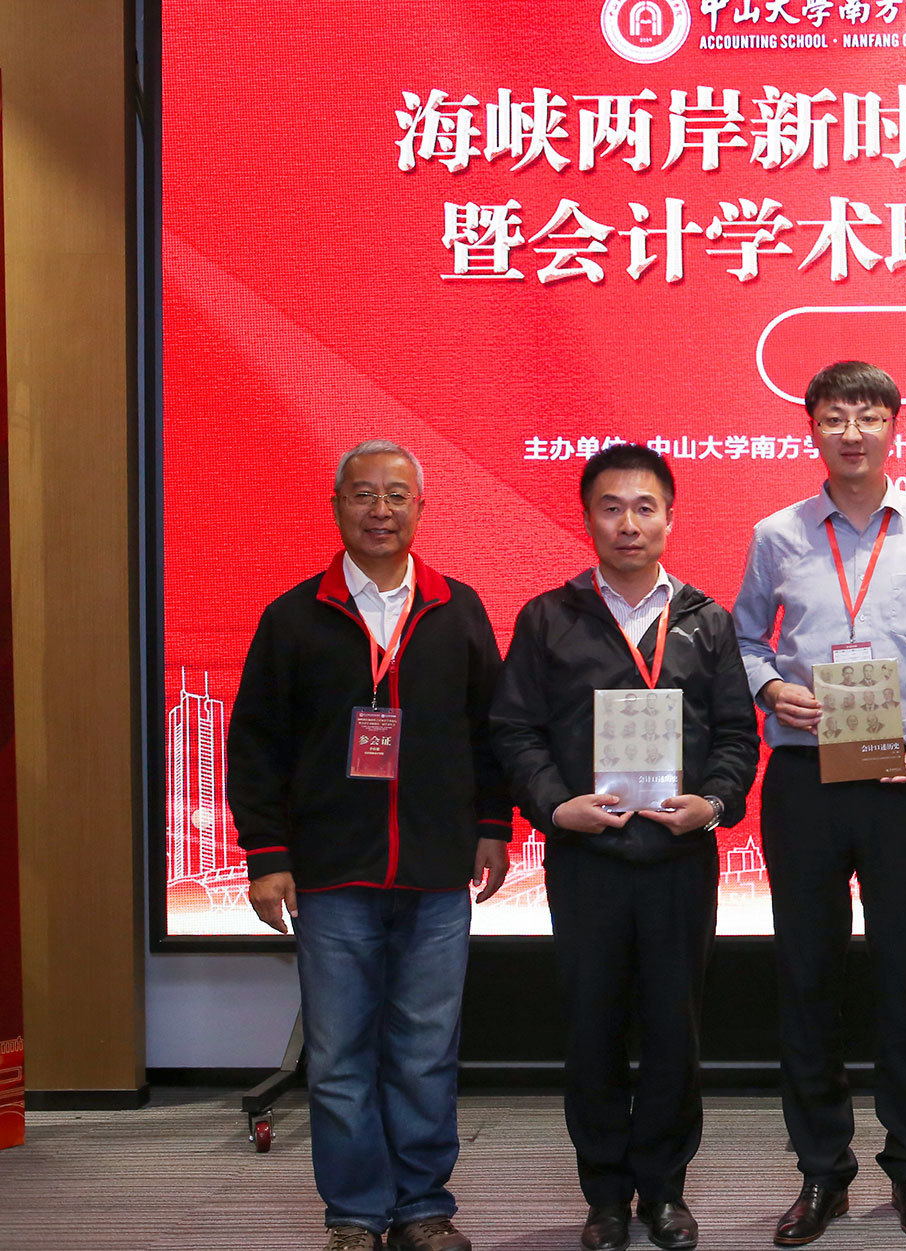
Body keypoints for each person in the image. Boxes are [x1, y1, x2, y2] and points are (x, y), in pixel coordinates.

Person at [227, 440, 509, 1251]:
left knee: (425, 1054)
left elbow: (492, 731)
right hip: (330, 875)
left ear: (421, 507)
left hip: (435, 874)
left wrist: (494, 827)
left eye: (396, 495)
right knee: (341, 1057)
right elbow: (255, 744)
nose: (380, 510)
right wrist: (266, 853)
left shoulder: (458, 608)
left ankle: (423, 1206)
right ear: (336, 506)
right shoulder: (293, 616)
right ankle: (353, 1214)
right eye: (363, 494)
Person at [733, 362, 906, 1246]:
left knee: (905, 975)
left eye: (868, 416)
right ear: (812, 428)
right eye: (834, 417)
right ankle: (821, 1169)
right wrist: (772, 688)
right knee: (807, 975)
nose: (851, 432)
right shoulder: (777, 534)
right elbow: (742, 638)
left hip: (900, 776)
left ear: (892, 427)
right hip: (805, 777)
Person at [491, 444, 760, 1251]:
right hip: (589, 860)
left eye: (646, 507)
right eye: (612, 507)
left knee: (676, 1030)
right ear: (587, 519)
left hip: (679, 858)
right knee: (593, 1028)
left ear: (670, 518)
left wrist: (714, 803)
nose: (629, 523)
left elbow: (737, 736)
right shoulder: (549, 617)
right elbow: (514, 729)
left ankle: (665, 1190)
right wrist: (554, 805)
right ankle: (605, 1194)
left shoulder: (708, 620)